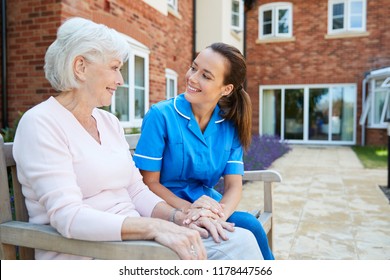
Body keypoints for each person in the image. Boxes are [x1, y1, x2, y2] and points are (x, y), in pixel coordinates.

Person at [12, 17, 263, 260]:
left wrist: (178, 218)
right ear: (80, 67)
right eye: (114, 68)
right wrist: (155, 228)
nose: (120, 80)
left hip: (136, 239)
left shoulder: (108, 122)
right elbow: (68, 217)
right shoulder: (41, 123)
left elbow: (137, 190)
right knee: (236, 250)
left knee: (242, 240)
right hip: (89, 253)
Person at [133, 42, 274, 259]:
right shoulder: (160, 116)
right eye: (193, 68)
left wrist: (218, 215)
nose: (192, 78)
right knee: (244, 231)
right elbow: (148, 183)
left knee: (250, 226)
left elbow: (234, 186)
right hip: (164, 208)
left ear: (226, 89)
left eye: (206, 76)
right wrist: (191, 212)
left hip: (207, 205)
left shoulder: (229, 125)